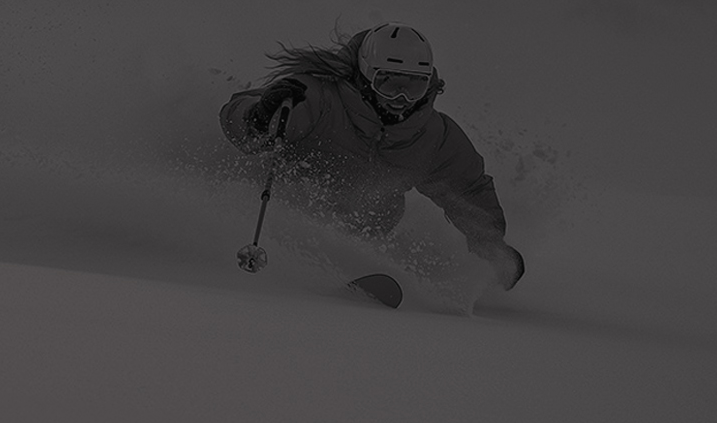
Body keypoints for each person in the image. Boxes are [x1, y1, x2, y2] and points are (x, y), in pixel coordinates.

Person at [219, 23, 524, 290]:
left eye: (415, 86)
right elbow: (245, 125)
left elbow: (469, 190)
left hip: (362, 231)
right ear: (366, 76)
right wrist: (258, 118)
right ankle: (298, 268)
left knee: (382, 206)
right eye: (389, 84)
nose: (401, 99)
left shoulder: (434, 135)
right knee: (304, 193)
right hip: (288, 208)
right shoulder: (316, 97)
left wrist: (492, 249)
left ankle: (350, 271)